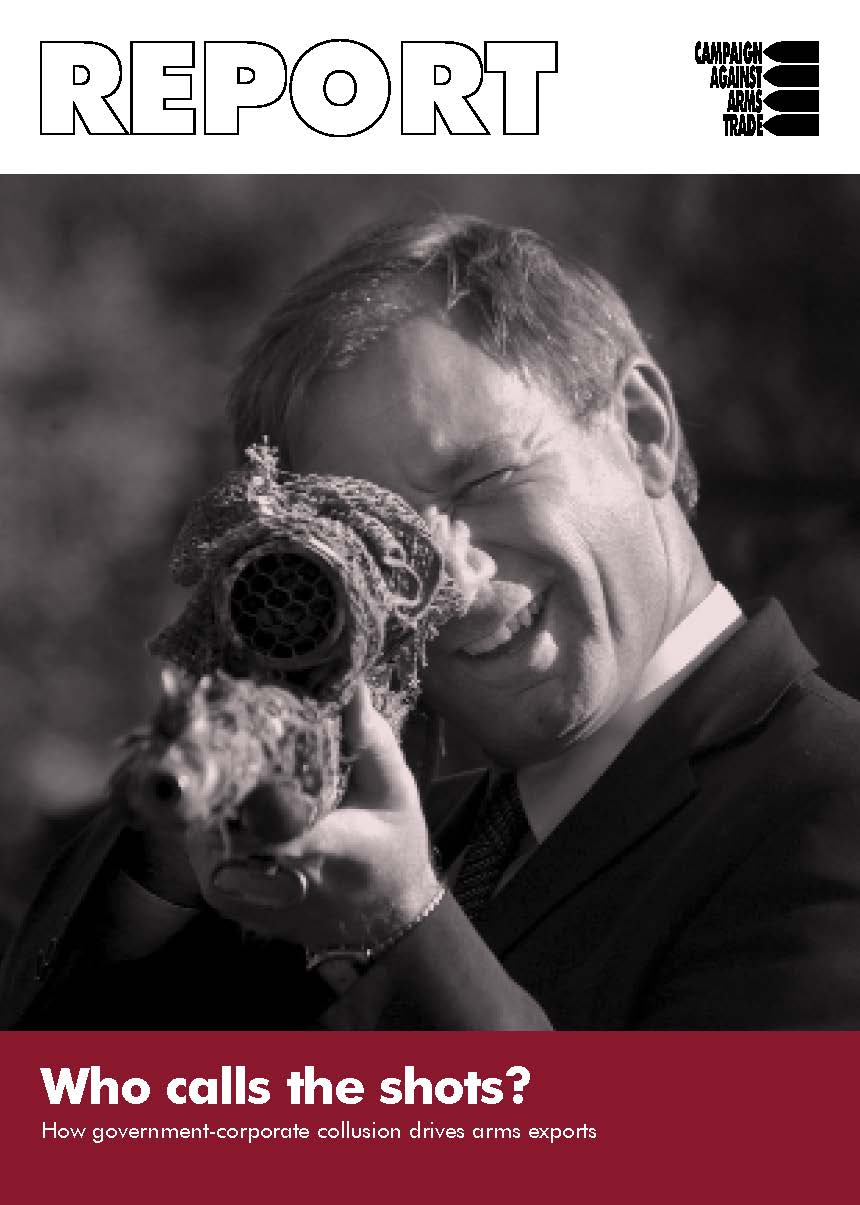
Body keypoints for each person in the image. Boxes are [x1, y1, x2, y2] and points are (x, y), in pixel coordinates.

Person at [3, 214, 860, 1029]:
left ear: (643, 431)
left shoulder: (829, 801)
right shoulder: (387, 839)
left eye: (483, 480)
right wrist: (169, 865)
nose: (455, 580)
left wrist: (402, 928)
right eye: (380, 543)